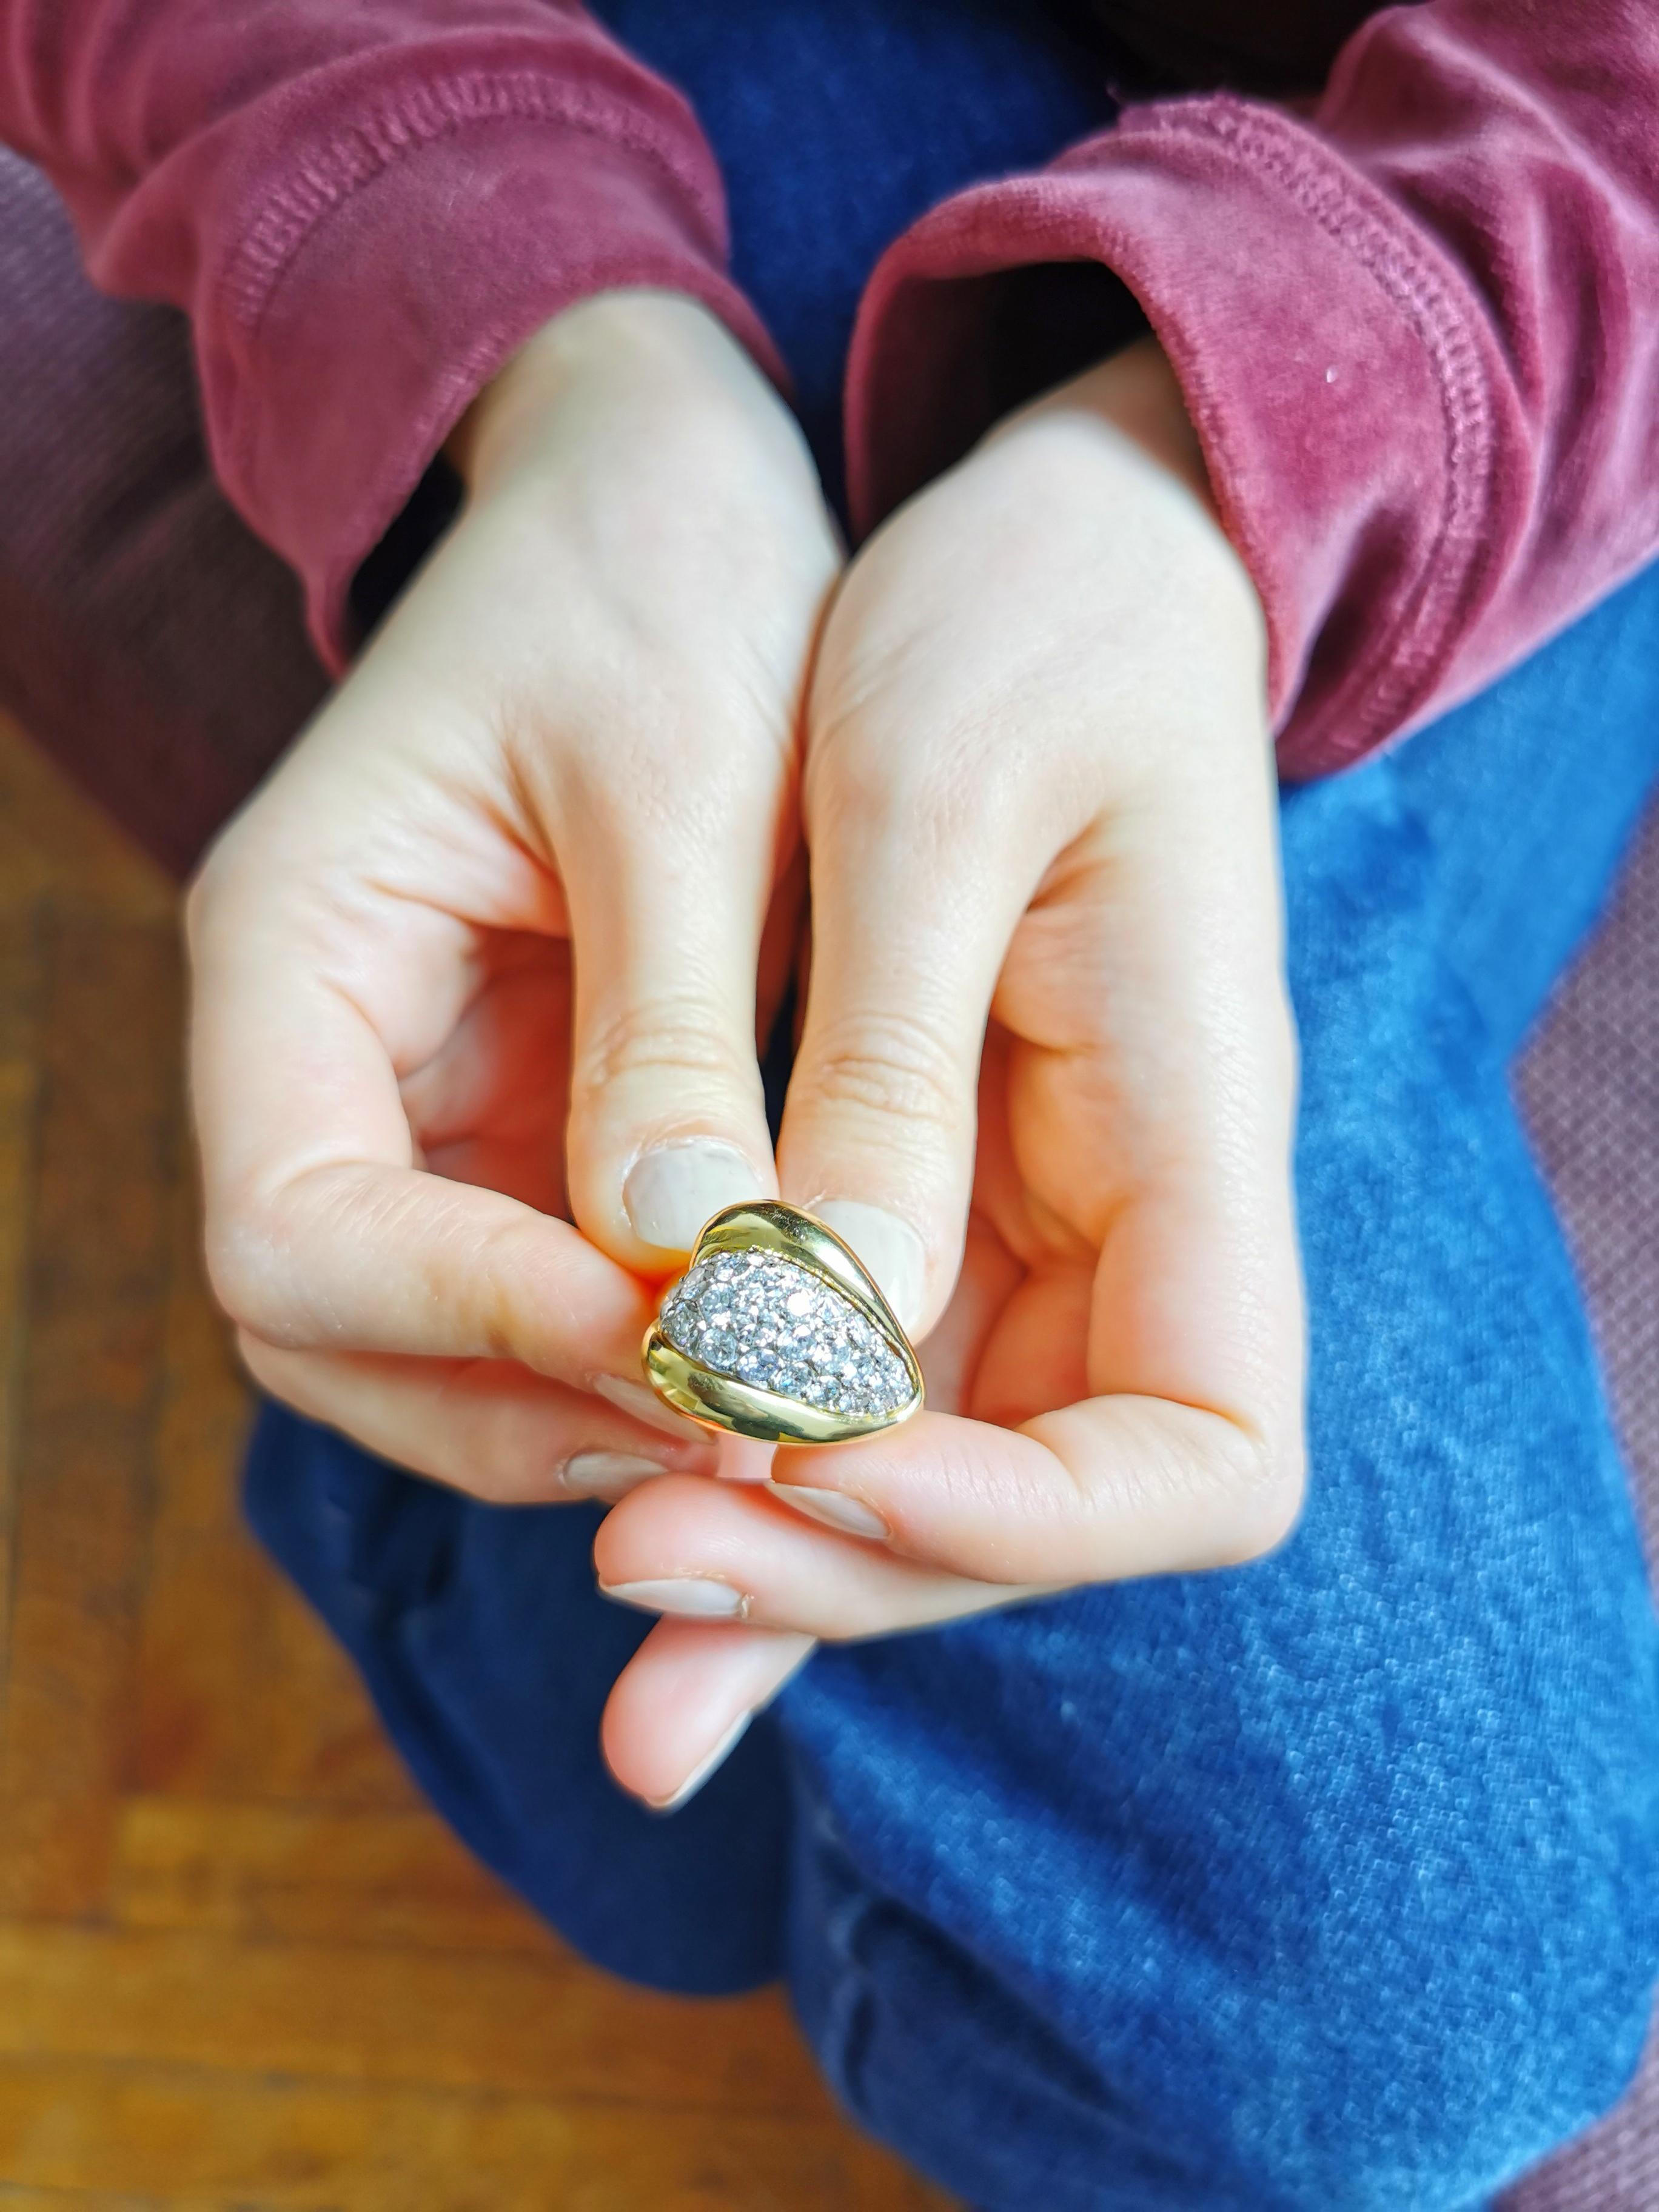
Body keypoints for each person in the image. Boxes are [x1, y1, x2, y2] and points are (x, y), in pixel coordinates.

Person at [5, 2, 1659, 2204]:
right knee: (1374, 1993)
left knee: (1398, 2016)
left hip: (1525, 206)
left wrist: (1214, 457)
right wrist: (567, 361)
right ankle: (569, 1691)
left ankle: (573, 1701)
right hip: (719, 87)